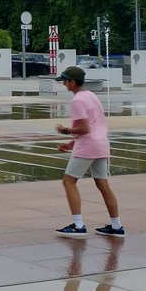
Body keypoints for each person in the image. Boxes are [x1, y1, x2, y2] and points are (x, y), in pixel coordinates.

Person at [54, 65, 124, 238]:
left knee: (68, 181)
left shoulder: (78, 100)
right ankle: (117, 226)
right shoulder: (91, 96)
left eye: (65, 81)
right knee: (103, 185)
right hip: (101, 144)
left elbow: (84, 128)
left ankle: (78, 226)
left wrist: (66, 131)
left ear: (72, 82)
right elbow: (92, 125)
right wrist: (70, 144)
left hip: (87, 147)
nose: (63, 84)